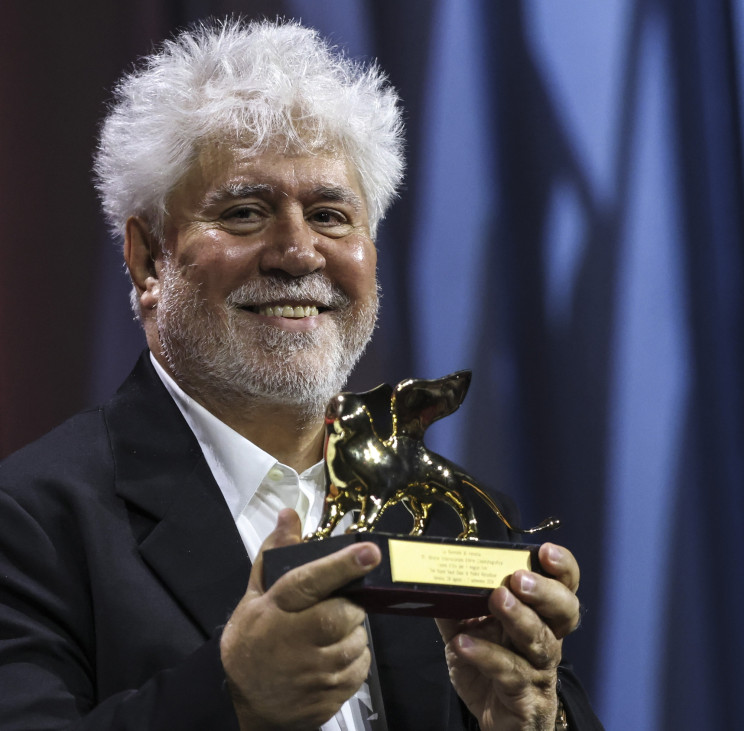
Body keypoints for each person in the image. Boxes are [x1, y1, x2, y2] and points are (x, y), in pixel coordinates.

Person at [0, 18, 601, 731]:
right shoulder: (30, 523)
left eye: (329, 213)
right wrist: (235, 700)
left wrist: (530, 719)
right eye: (246, 212)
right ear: (147, 259)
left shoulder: (450, 520)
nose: (297, 250)